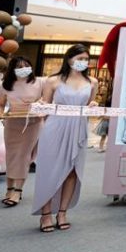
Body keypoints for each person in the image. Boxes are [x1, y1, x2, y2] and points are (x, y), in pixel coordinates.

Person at [32, 44, 97, 232]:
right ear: (69, 59)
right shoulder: (53, 80)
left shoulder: (92, 82)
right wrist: (38, 108)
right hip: (55, 127)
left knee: (72, 171)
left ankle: (62, 212)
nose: (83, 62)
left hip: (79, 128)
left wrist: (94, 105)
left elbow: (91, 104)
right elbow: (45, 106)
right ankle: (45, 214)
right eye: (79, 58)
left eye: (86, 59)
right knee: (49, 170)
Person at [0, 56, 43, 207]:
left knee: (23, 155)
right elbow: (1, 105)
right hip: (12, 122)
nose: (24, 69)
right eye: (20, 67)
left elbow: (47, 100)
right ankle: (9, 188)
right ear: (13, 69)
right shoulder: (5, 85)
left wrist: (39, 105)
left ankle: (18, 190)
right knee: (12, 155)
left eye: (26, 65)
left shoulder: (39, 82)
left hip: (32, 122)